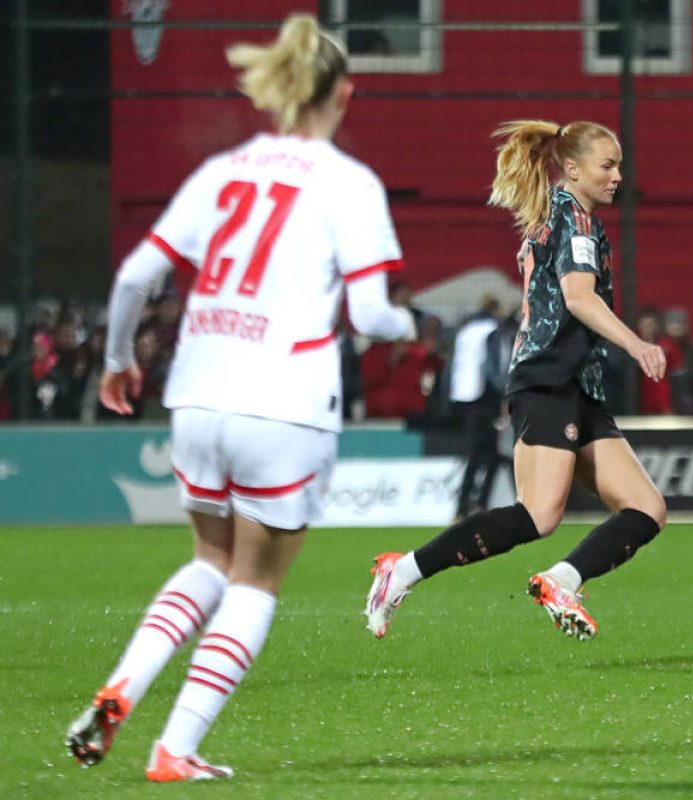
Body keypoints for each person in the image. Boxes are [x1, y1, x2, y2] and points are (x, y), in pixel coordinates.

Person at [65, 15, 415, 781]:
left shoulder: (222, 170)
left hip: (197, 391)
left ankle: (123, 685)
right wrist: (408, 323)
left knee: (208, 559)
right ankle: (175, 748)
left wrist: (117, 361)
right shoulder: (348, 183)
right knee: (255, 580)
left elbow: (135, 276)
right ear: (344, 94)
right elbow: (369, 315)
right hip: (284, 400)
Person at [365, 119, 668, 642]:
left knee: (647, 508)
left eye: (619, 164)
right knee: (539, 514)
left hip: (575, 383)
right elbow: (578, 298)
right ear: (572, 168)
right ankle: (404, 570)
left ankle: (562, 580)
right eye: (607, 165)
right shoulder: (574, 218)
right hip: (549, 378)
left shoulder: (559, 211)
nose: (618, 175)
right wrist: (637, 344)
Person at [449, 294, 506, 518]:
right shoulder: (491, 331)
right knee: (490, 455)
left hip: (463, 397)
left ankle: (463, 505)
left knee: (474, 453)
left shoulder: (465, 331)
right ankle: (479, 503)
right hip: (484, 397)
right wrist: (502, 394)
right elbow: (491, 368)